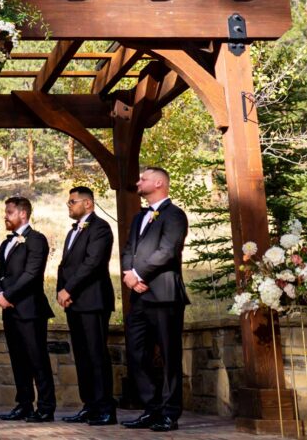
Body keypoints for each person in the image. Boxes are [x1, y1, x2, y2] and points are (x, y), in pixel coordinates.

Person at [120, 167, 189, 433]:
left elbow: (168, 251)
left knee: (170, 356)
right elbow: (129, 249)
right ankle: (151, 408)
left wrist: (138, 273)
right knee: (137, 353)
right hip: (139, 296)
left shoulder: (175, 215)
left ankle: (170, 413)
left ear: (159, 183)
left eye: (143, 178)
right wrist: (129, 275)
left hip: (164, 295)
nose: (138, 181)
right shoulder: (139, 218)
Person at [56, 187, 116, 426]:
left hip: (93, 300)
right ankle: (89, 405)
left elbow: (92, 263)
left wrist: (68, 289)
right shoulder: (74, 230)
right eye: (68, 202)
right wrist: (62, 292)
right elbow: (65, 266)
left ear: (88, 203)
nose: (69, 205)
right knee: (81, 355)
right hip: (74, 302)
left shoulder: (100, 228)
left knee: (96, 354)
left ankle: (105, 408)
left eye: (72, 201)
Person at [0, 196, 55, 423]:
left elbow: (32, 274)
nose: (5, 215)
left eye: (9, 211)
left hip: (30, 309)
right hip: (8, 309)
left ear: (22, 213)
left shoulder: (37, 240)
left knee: (37, 358)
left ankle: (46, 407)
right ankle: (24, 404)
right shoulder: (5, 243)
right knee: (18, 360)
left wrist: (8, 295)